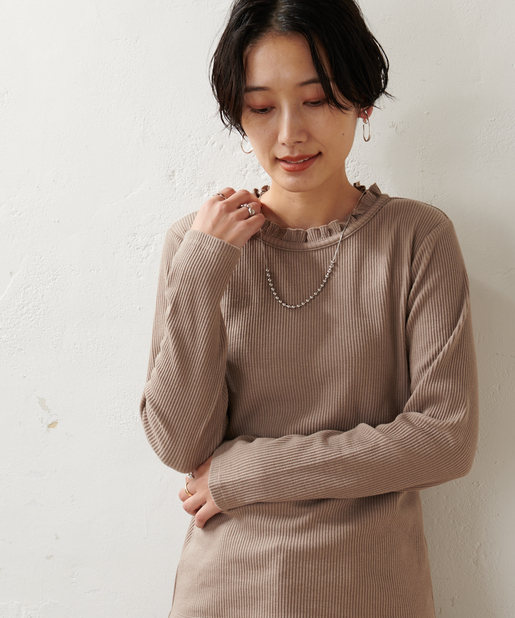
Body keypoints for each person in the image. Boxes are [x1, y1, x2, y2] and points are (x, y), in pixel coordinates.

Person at [139, 0, 479, 616]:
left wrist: (249, 471)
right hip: (229, 592)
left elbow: (445, 440)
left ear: (361, 100)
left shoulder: (417, 238)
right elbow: (181, 445)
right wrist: (203, 270)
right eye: (261, 107)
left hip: (374, 592)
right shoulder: (198, 244)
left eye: (316, 100)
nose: (289, 133)